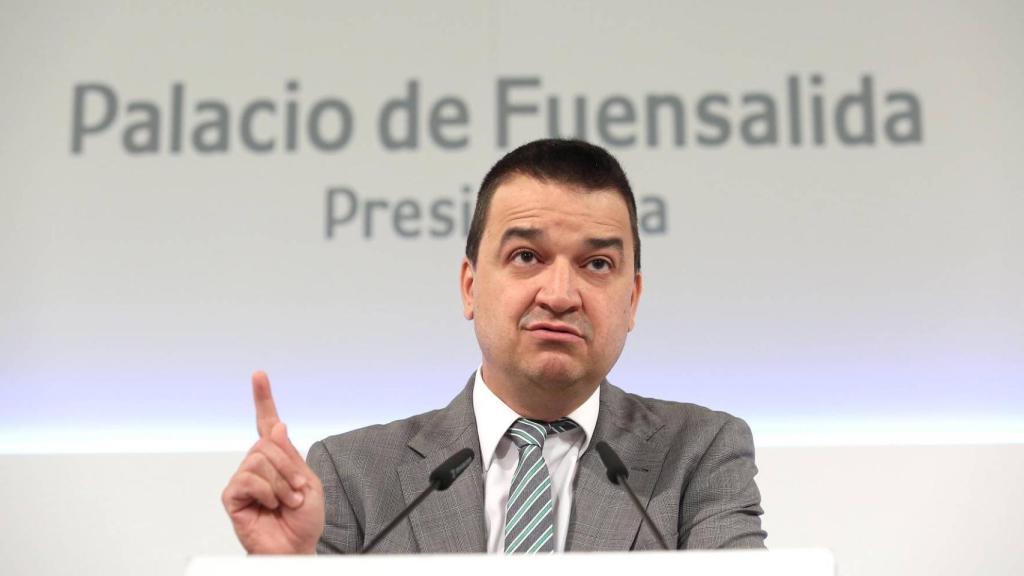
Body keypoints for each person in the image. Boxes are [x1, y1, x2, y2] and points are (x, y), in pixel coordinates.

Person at [222, 139, 766, 554]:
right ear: (470, 286)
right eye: (527, 256)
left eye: (596, 264)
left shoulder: (699, 454)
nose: (559, 295)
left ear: (633, 300)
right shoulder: (354, 473)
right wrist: (288, 568)